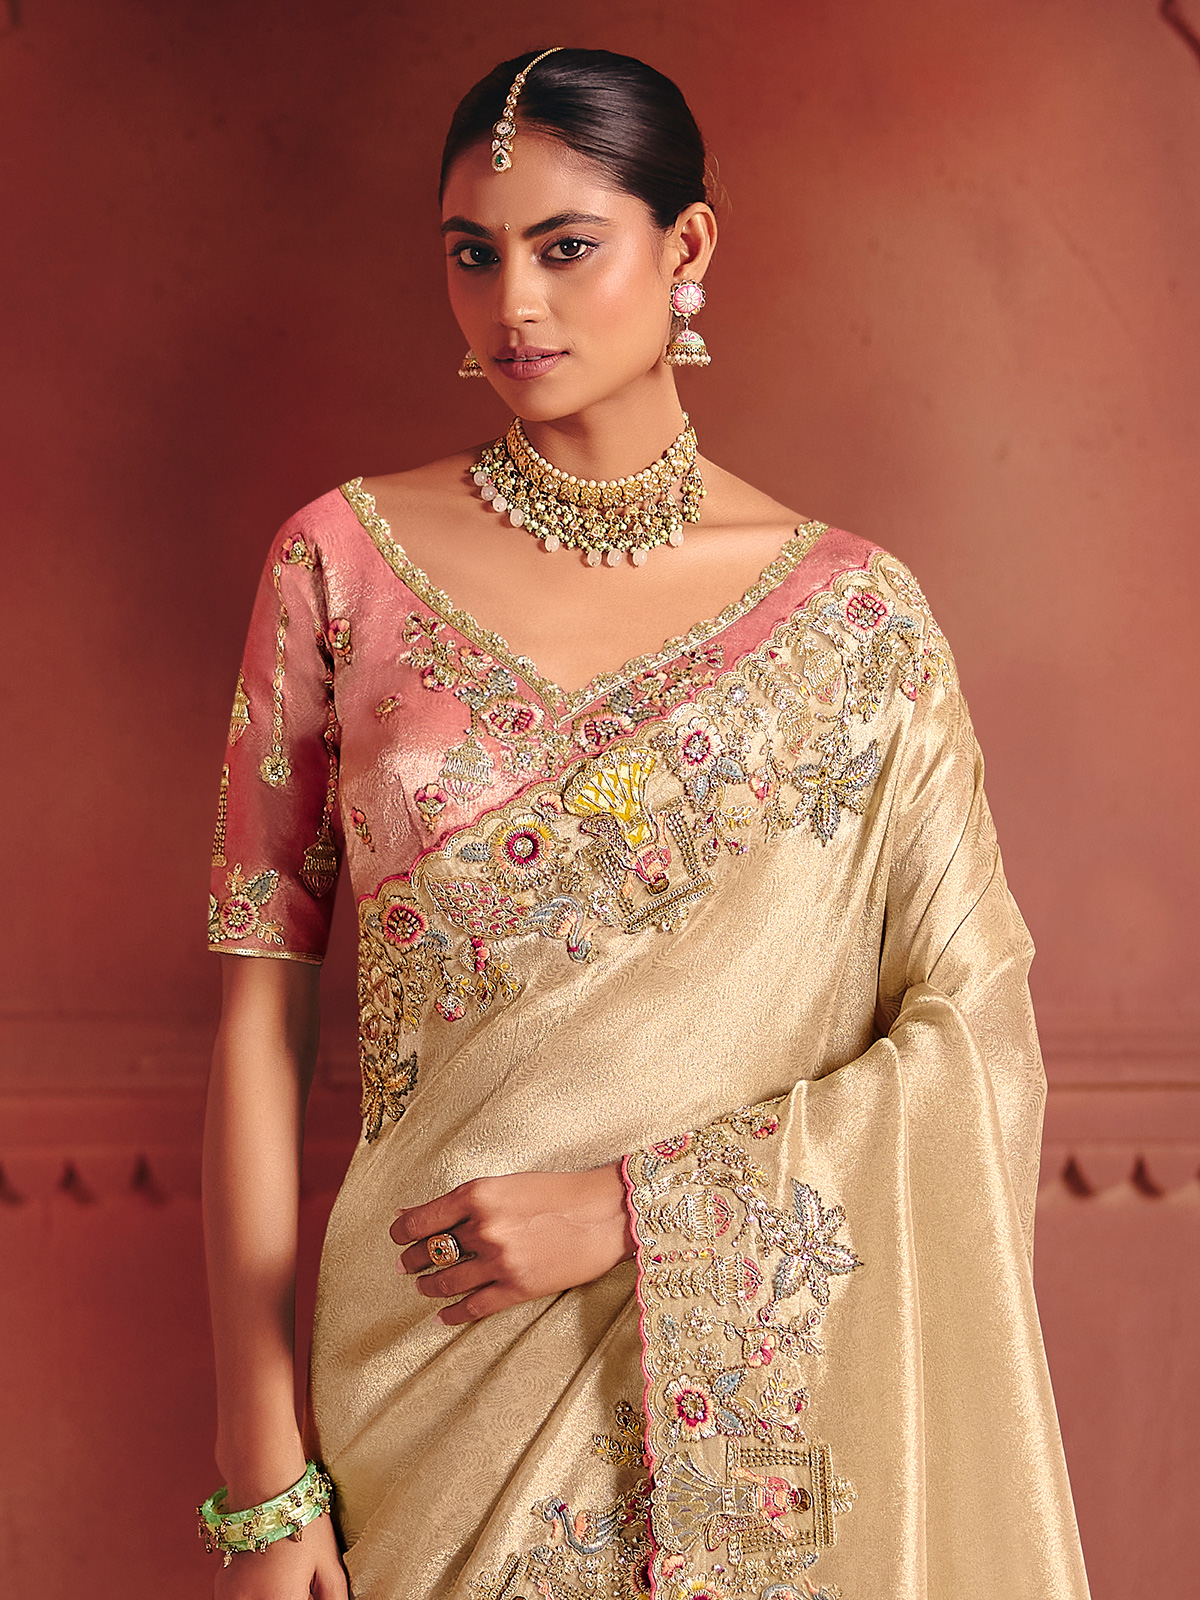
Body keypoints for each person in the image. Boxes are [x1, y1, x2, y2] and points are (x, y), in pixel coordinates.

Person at [200, 46, 1091, 1600]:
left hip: (750, 1412)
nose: (513, 305)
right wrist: (263, 1483)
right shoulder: (338, 567)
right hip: (427, 1382)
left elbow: (976, 1041)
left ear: (686, 246)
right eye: (473, 254)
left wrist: (636, 1211)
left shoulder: (856, 626)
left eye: (566, 247)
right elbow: (257, 1024)